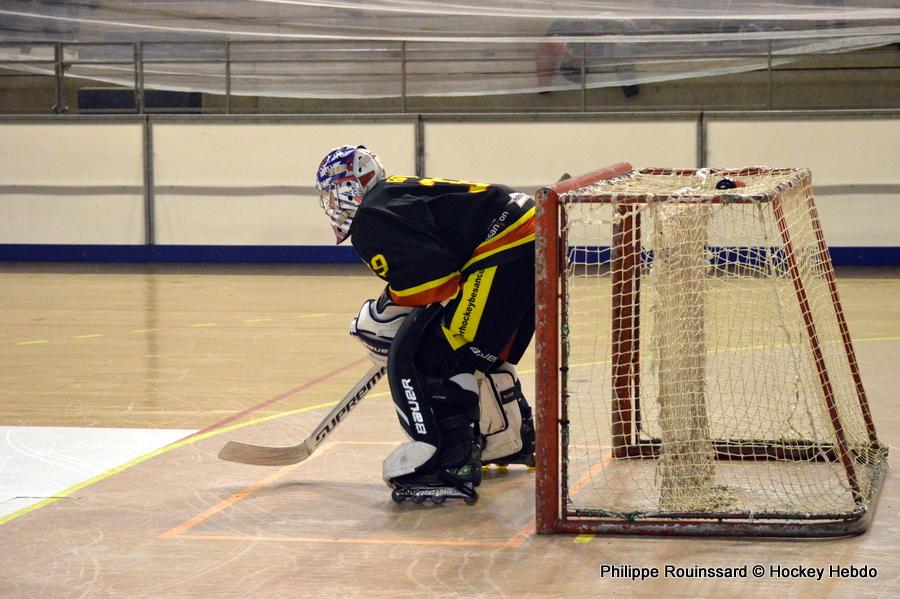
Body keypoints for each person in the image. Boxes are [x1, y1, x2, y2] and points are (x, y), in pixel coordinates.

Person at [314, 145, 536, 505]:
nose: (332, 203)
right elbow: (440, 271)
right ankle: (507, 439)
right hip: (525, 240)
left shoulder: (371, 217)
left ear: (352, 186)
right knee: (482, 356)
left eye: (334, 192)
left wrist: (380, 313)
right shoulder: (392, 195)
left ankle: (447, 462)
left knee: (435, 356)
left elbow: (438, 283)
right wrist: (394, 306)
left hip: (503, 249)